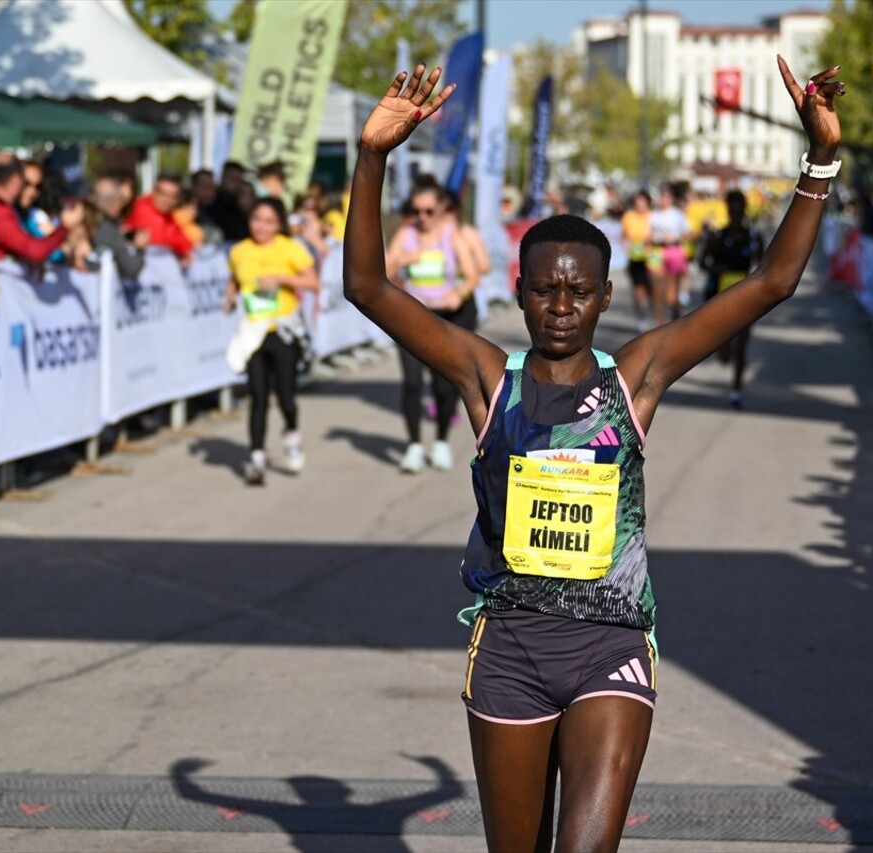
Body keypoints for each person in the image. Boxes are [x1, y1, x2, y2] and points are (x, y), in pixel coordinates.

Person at [343, 57, 843, 850]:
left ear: (608, 296)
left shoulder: (636, 377)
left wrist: (819, 163)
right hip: (508, 645)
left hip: (610, 646)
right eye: (546, 290)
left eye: (580, 291)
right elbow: (368, 287)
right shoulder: (485, 378)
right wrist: (371, 158)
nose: (563, 307)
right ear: (519, 290)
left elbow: (773, 282)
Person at [223, 198, 320, 485]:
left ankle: (291, 433)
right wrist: (229, 296)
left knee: (287, 397)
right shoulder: (239, 251)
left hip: (283, 330)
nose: (261, 227)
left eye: (268, 221)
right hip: (253, 331)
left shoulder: (290, 248)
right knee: (258, 395)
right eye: (256, 220)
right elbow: (235, 280)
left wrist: (281, 279)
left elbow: (313, 282)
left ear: (278, 224)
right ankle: (257, 457)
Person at [384, 181, 480, 473]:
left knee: (444, 385)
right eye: (416, 211)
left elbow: (473, 275)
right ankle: (413, 446)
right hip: (412, 318)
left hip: (445, 320)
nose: (422, 217)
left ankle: (440, 442)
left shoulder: (452, 235)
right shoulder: (406, 235)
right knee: (412, 382)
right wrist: (401, 259)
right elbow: (382, 274)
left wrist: (458, 294)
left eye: (428, 211)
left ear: (440, 208)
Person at [701, 189, 763, 409]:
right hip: (720, 296)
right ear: (728, 210)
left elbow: (764, 268)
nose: (736, 214)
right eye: (732, 210)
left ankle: (736, 392)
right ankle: (724, 350)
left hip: (745, 297)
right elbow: (703, 263)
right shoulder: (717, 236)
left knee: (742, 346)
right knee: (725, 353)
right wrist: (719, 268)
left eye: (739, 210)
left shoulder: (754, 236)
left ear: (744, 210)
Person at [0, 159, 79, 265]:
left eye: (37, 187)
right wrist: (64, 227)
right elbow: (34, 251)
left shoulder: (26, 216)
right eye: (26, 183)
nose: (32, 192)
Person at [645, 183, 692, 326]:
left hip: (673, 251)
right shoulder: (653, 215)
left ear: (671, 198)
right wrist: (653, 239)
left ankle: (677, 320)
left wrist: (675, 237)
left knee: (671, 295)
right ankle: (660, 322)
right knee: (657, 290)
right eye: (661, 196)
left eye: (665, 196)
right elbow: (647, 235)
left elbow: (689, 233)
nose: (662, 199)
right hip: (656, 252)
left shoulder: (678, 215)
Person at [122, 174, 194, 262]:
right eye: (163, 194)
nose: (167, 200)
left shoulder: (171, 218)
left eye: (173, 196)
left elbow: (183, 244)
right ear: (154, 191)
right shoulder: (135, 207)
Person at [89, 175, 148, 280]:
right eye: (122, 201)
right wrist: (138, 248)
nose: (122, 207)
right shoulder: (106, 229)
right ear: (115, 203)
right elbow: (132, 268)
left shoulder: (85, 219)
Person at [621, 192, 653, 331]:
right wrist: (626, 248)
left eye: (642, 201)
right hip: (635, 256)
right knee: (638, 288)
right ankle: (642, 315)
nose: (640, 205)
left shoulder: (653, 216)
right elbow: (624, 236)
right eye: (637, 202)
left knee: (652, 288)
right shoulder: (628, 216)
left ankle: (656, 312)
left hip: (653, 256)